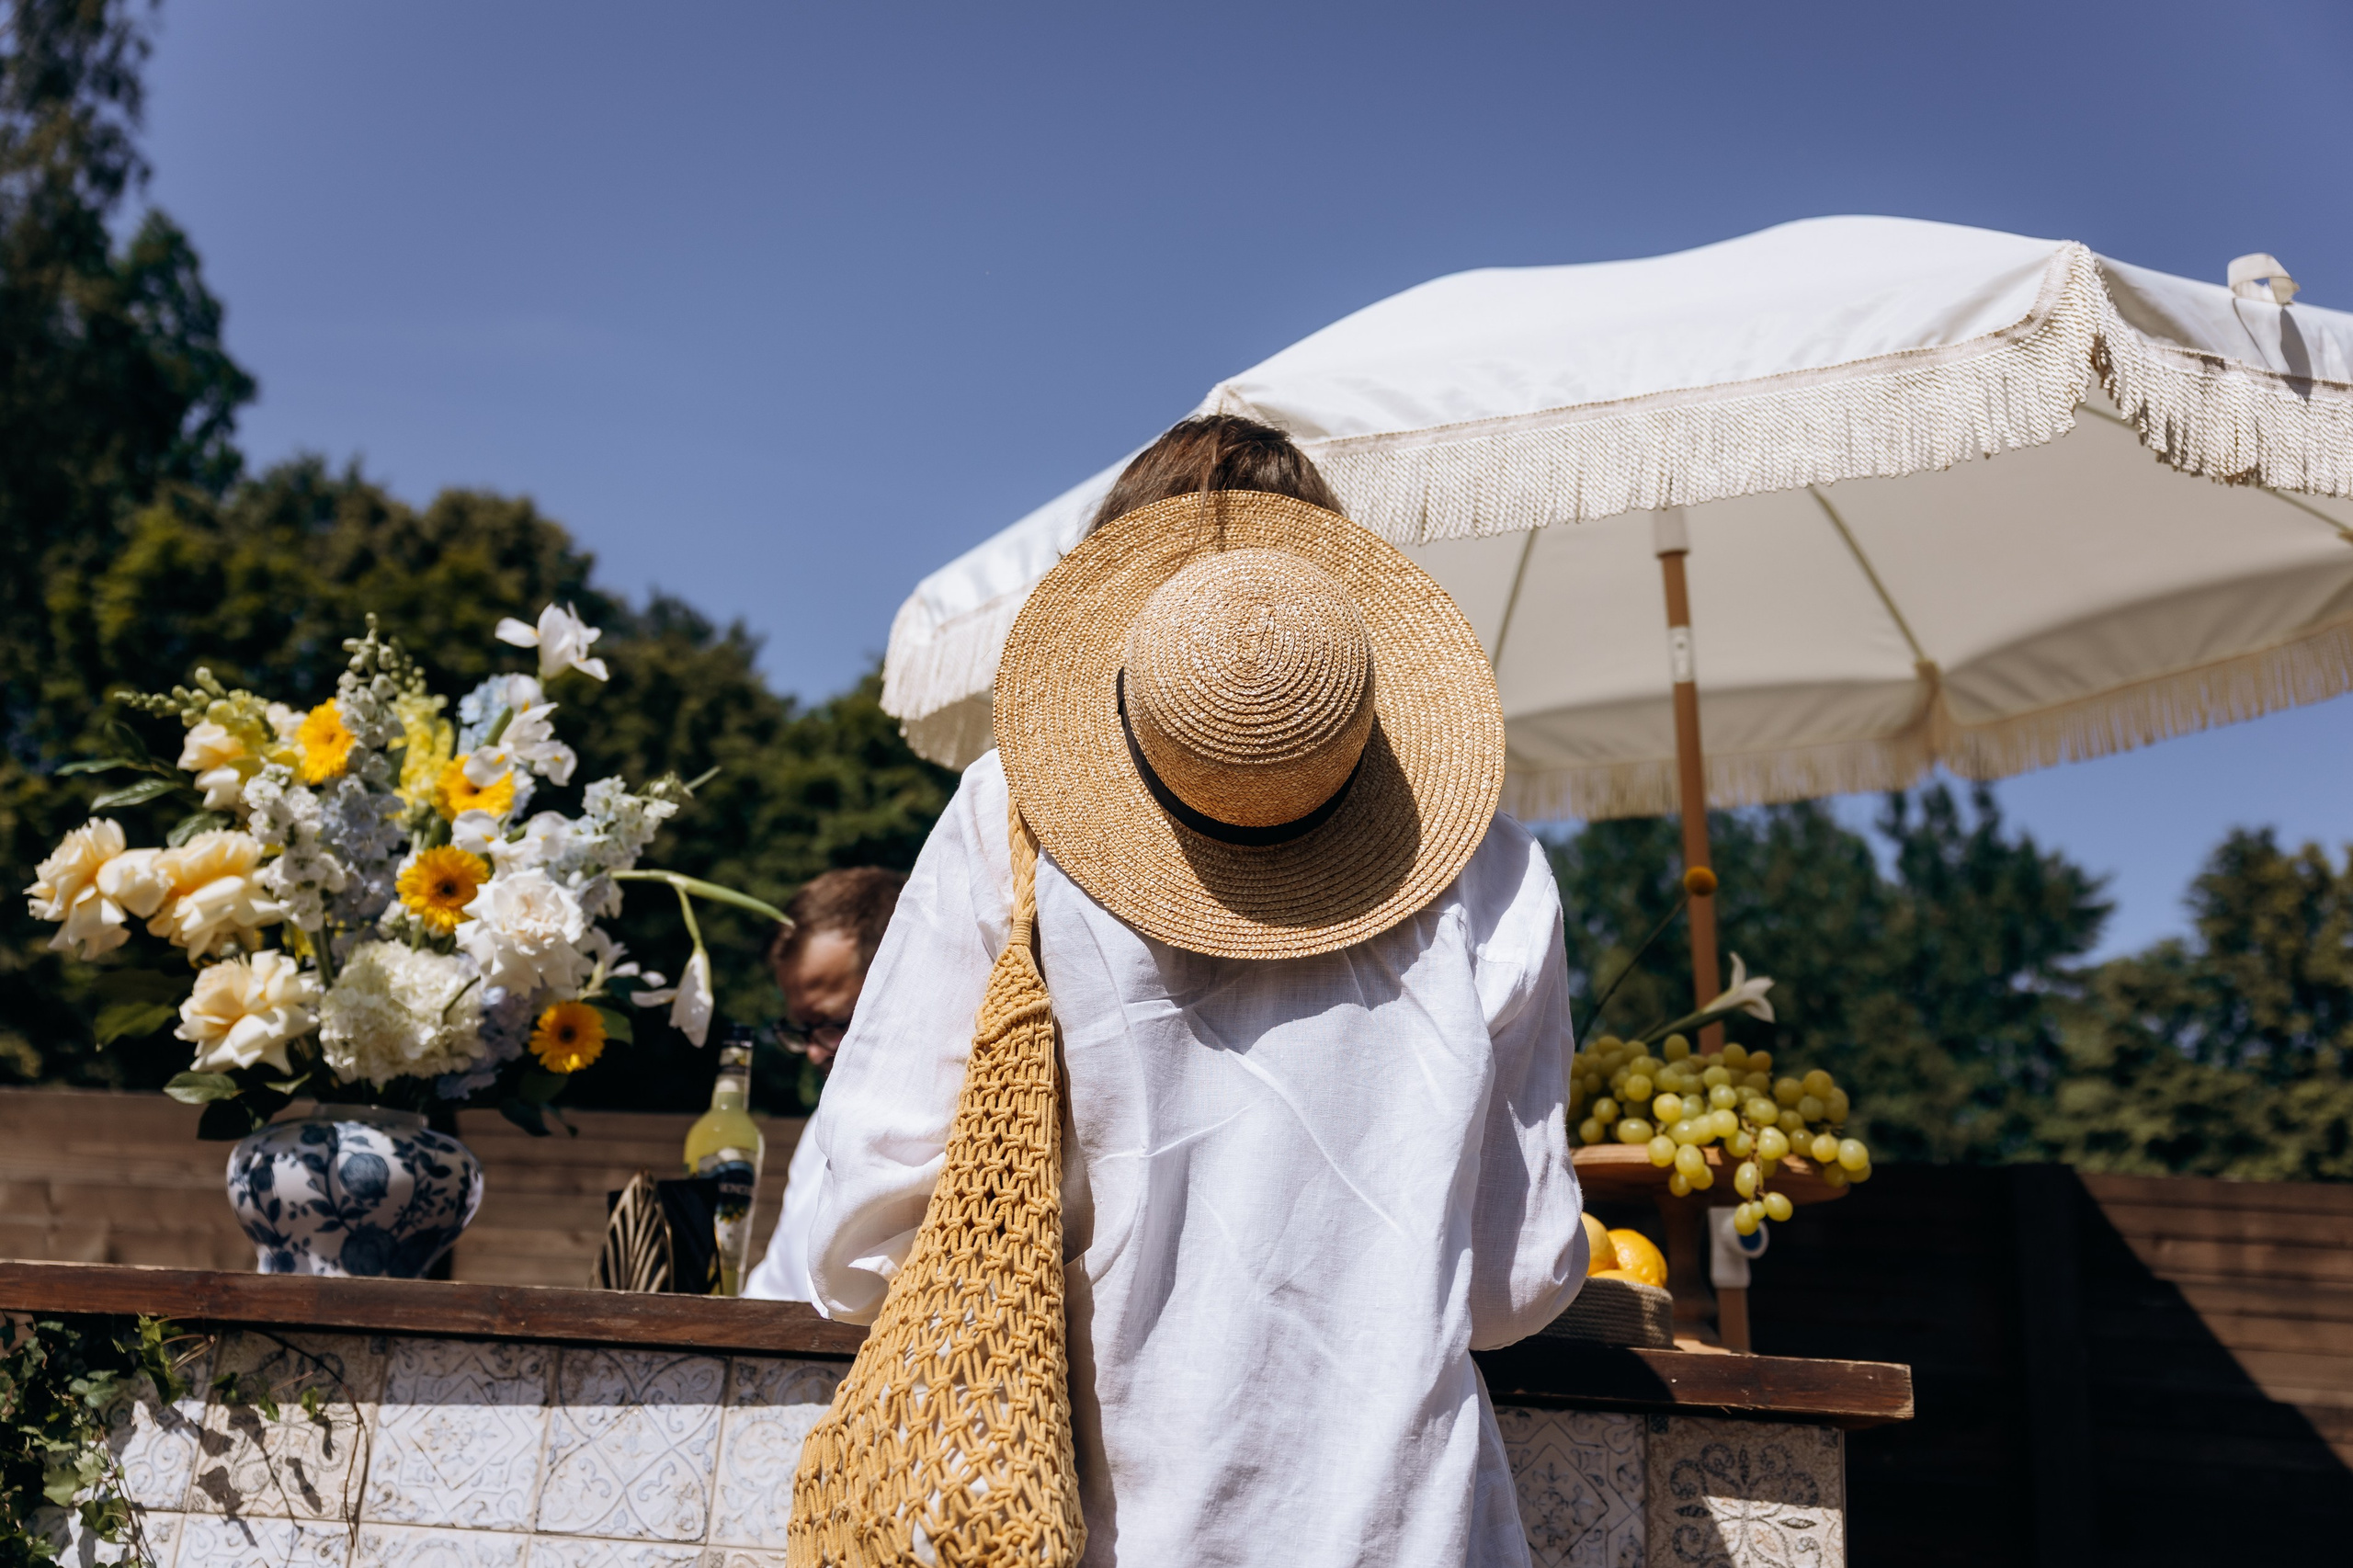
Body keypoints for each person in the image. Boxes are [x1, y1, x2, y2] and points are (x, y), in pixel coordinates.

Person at [802, 415, 1586, 1567]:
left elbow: (859, 1242)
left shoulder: (1009, 816)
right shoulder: (1491, 864)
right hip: (1407, 1529)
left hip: (1082, 1517)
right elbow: (1519, 1282)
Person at [740, 866, 905, 1303]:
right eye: (801, 1029)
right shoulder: (822, 1127)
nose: (814, 1052)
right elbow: (775, 1291)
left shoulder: (973, 1118)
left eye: (832, 1024)